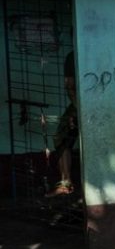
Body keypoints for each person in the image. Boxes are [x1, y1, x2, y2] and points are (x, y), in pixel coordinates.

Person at [47, 51, 78, 197]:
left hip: (80, 104)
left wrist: (77, 106)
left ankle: (66, 182)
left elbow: (69, 85)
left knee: (61, 139)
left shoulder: (73, 56)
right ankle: (66, 183)